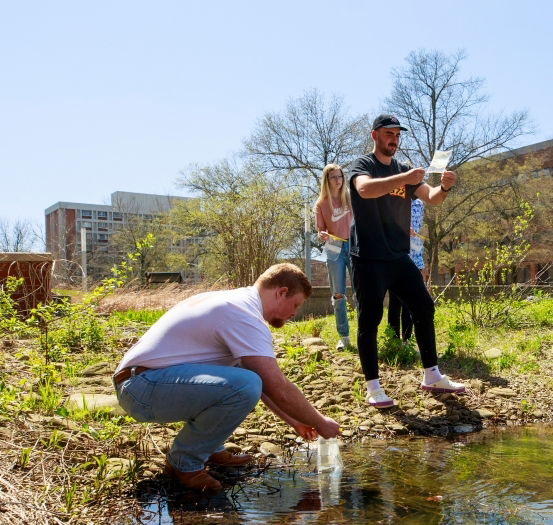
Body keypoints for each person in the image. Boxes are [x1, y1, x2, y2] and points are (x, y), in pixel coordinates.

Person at [113, 263, 342, 491]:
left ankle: (208, 448)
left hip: (144, 382)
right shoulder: (243, 314)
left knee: (245, 380)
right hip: (142, 387)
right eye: (295, 305)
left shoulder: (235, 301)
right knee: (244, 385)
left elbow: (263, 384)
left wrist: (295, 421)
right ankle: (184, 463)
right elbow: (277, 388)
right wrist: (320, 423)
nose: (294, 313)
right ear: (281, 292)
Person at [348, 114, 464, 408]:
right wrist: (405, 178)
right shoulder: (364, 166)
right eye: (389, 134)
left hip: (399, 257)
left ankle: (432, 375)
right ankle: (373, 387)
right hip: (369, 257)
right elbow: (364, 189)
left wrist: (445, 186)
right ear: (375, 135)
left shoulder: (405, 171)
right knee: (369, 320)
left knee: (424, 307)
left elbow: (432, 198)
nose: (394, 140)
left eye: (398, 135)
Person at [315, 164, 353, 350]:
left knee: (361, 292)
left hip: (354, 246)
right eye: (333, 177)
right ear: (327, 180)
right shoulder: (321, 205)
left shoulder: (350, 197)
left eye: (340, 176)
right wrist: (321, 234)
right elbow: (320, 230)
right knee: (338, 295)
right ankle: (344, 337)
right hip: (333, 248)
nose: (338, 180)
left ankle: (365, 335)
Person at [387, 198, 425, 342]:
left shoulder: (419, 203)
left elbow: (419, 226)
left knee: (410, 303)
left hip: (414, 256)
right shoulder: (393, 200)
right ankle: (394, 340)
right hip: (396, 255)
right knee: (395, 302)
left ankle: (407, 341)